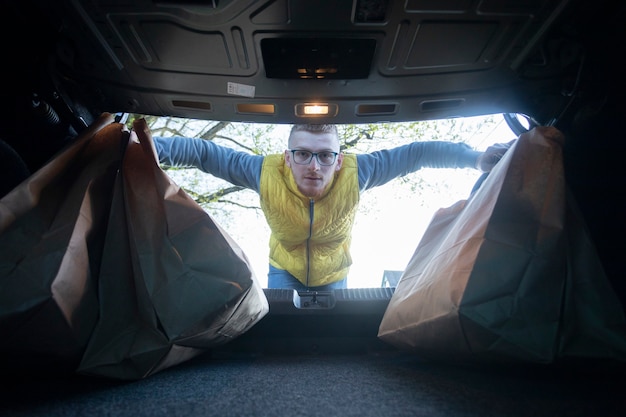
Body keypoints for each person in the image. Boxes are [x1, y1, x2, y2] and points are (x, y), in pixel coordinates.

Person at [153, 124, 508, 291]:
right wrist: (145, 147)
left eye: (325, 156)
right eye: (303, 154)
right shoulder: (262, 172)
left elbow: (417, 153)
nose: (314, 166)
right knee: (283, 343)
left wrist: (476, 158)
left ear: (339, 161)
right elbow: (201, 153)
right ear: (287, 158)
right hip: (283, 270)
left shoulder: (360, 171)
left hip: (335, 274)